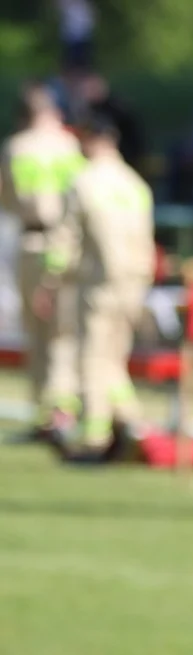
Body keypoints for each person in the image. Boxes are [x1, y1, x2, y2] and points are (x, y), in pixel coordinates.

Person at [64, 113, 156, 460]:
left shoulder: (84, 181)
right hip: (133, 283)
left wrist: (53, 278)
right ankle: (133, 425)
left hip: (98, 282)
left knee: (92, 358)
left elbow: (67, 239)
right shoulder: (135, 184)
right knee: (114, 359)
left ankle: (95, 437)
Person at [0, 81, 85, 439]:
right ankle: (63, 408)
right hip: (68, 240)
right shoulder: (70, 145)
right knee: (64, 329)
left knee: (37, 330)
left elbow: (7, 198)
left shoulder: (17, 147)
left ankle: (45, 412)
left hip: (34, 239)